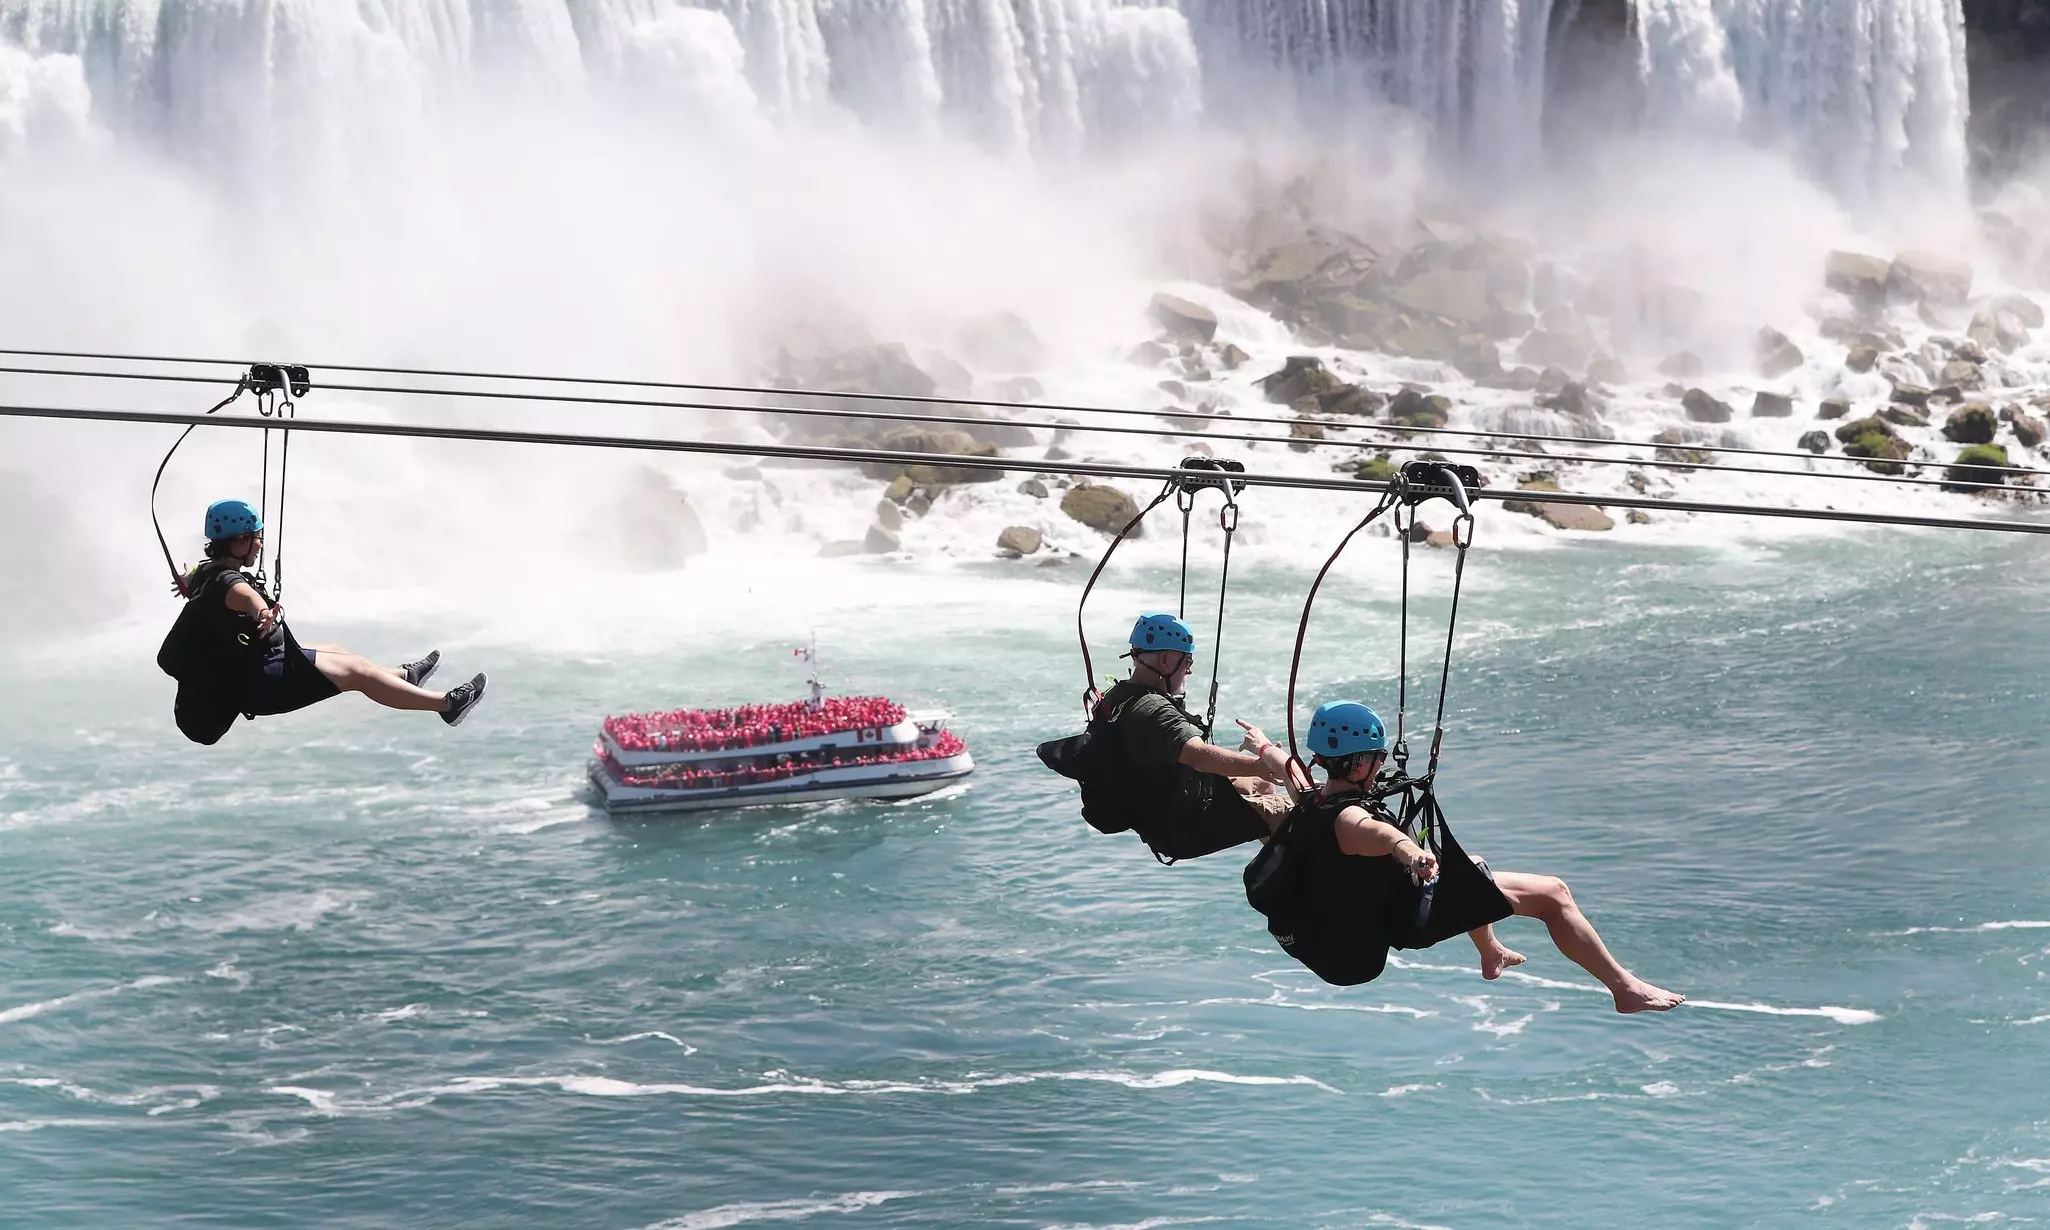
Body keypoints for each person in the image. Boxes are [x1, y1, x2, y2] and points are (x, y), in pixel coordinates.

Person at [1262, 699, 1682, 1014]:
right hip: (1381, 927)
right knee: (1552, 894)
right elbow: (1380, 834)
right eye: (1379, 757)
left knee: (1473, 868)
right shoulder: (1351, 818)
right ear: (1357, 765)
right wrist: (1411, 855)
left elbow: (1292, 773)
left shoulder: (1315, 800)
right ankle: (1625, 989)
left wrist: (1268, 751)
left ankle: (1491, 951)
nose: (1381, 765)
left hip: (1338, 927)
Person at [156, 499, 486, 745]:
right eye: (257, 537)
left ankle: (404, 677)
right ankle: (447, 705)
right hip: (258, 684)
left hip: (248, 669)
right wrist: (264, 614)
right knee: (358, 673)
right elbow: (246, 597)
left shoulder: (207, 572)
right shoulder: (231, 585)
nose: (260, 544)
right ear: (239, 541)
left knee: (337, 650)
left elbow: (201, 579)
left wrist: (188, 578)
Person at [1040, 613, 1296, 861]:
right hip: (1185, 824)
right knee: (1303, 816)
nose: (1188, 671)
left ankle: (1271, 843)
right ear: (1164, 661)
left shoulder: (1118, 695)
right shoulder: (1154, 709)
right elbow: (1197, 755)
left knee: (1261, 786)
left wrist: (1258, 774)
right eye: (1187, 662)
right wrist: (1260, 764)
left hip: (1160, 814)